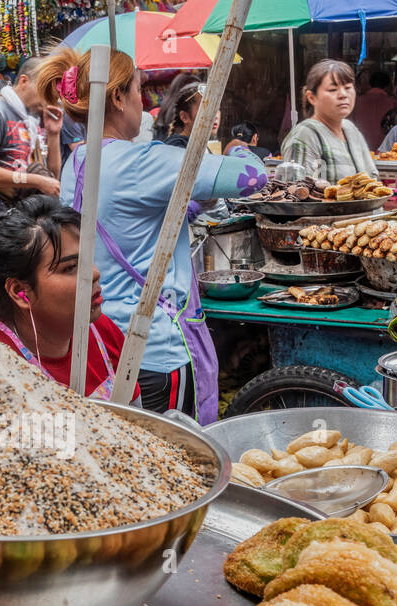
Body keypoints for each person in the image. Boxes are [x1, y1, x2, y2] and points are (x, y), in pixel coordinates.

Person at [38, 48, 268, 423]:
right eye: (137, 91)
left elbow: (123, 219)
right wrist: (240, 149)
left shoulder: (79, 159)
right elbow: (252, 178)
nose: (143, 105)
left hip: (107, 338)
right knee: (178, 463)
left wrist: (194, 202)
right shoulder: (141, 161)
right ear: (116, 98)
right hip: (155, 349)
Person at [0, 194, 139, 401]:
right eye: (70, 267)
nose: (94, 273)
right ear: (19, 291)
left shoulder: (104, 331)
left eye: (88, 260)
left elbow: (137, 417)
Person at [0, 57, 62, 225]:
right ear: (23, 81)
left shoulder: (33, 119)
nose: (48, 100)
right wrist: (38, 181)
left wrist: (54, 134)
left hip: (27, 221)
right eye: (45, 92)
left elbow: (52, 176)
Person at [281, 60, 378, 181]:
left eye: (348, 88)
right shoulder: (304, 135)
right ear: (311, 97)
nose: (343, 94)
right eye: (333, 89)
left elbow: (372, 179)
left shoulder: (351, 130)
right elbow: (296, 191)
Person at [153, 75, 221, 148]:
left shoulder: (198, 145)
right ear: (184, 117)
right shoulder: (176, 147)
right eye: (206, 109)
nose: (215, 116)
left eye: (217, 109)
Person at [349, 70, 397, 150]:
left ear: (370, 84)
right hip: (386, 150)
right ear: (388, 86)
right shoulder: (394, 103)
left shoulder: (355, 102)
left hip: (360, 147)